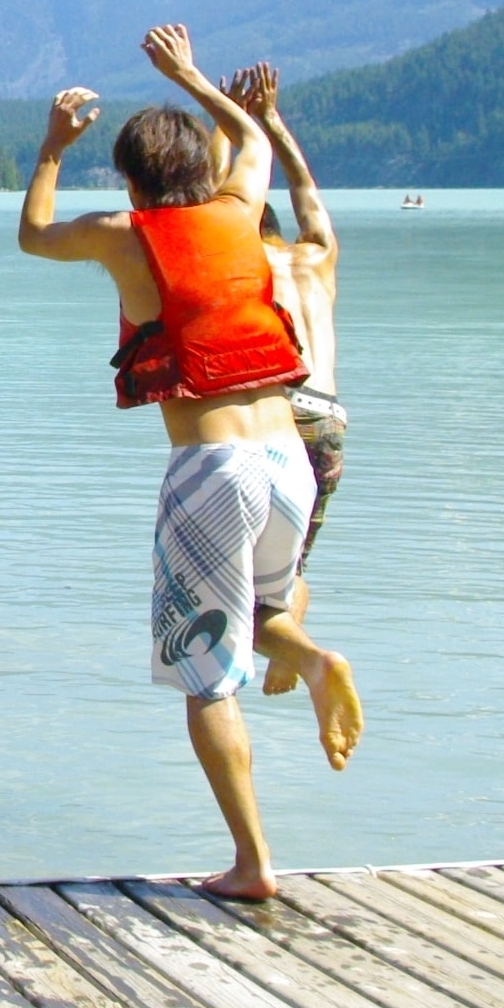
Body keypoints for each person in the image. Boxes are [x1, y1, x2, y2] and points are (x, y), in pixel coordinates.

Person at [18, 23, 361, 902]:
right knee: (264, 615)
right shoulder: (243, 209)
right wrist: (194, 78)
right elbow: (252, 142)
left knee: (208, 680)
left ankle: (251, 864)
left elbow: (32, 235)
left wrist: (53, 148)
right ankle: (317, 664)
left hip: (210, 471)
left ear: (131, 181)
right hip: (289, 457)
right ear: (198, 173)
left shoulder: (120, 236)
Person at [222, 62, 343, 698]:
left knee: (240, 582)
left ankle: (290, 649)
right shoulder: (318, 255)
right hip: (330, 420)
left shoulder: (249, 259)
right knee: (293, 568)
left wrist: (231, 124)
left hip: (275, 415)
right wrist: (271, 121)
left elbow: (221, 205)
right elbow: (305, 187)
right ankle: (287, 643)